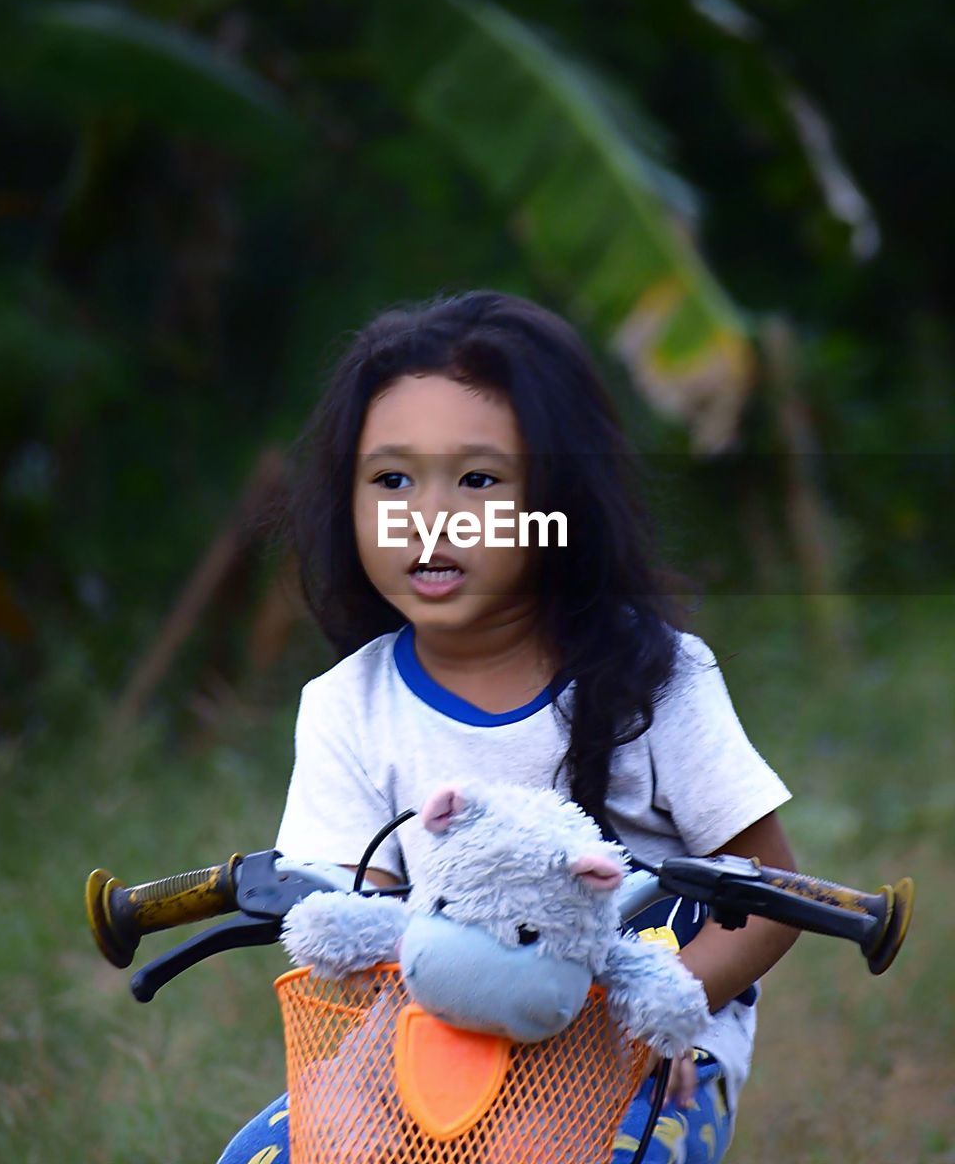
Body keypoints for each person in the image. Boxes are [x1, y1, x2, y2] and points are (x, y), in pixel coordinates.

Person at [217, 290, 798, 1164]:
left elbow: (772, 895)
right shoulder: (348, 705)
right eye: (392, 480)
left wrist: (657, 1012)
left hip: (637, 1047)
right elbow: (352, 928)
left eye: (479, 479)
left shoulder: (661, 678)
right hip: (424, 1037)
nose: (429, 516)